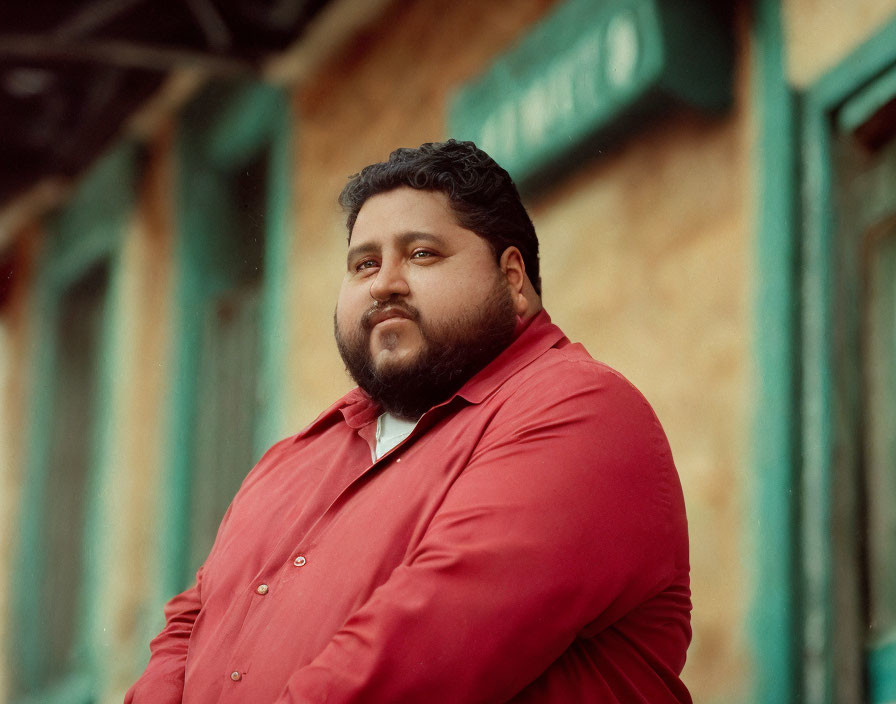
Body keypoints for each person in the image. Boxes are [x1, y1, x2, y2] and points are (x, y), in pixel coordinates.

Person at [126, 140, 691, 703]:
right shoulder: (293, 457)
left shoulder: (579, 410)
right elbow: (192, 620)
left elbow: (421, 653)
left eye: (421, 254)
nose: (384, 283)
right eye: (364, 263)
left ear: (513, 278)